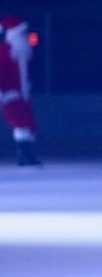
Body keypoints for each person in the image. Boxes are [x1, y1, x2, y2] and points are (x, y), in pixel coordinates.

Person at [0, 15, 41, 167]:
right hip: (10, 94)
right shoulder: (6, 50)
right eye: (23, 32)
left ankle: (26, 154)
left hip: (22, 94)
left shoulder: (23, 51)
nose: (26, 35)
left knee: (28, 124)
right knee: (20, 123)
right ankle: (24, 155)